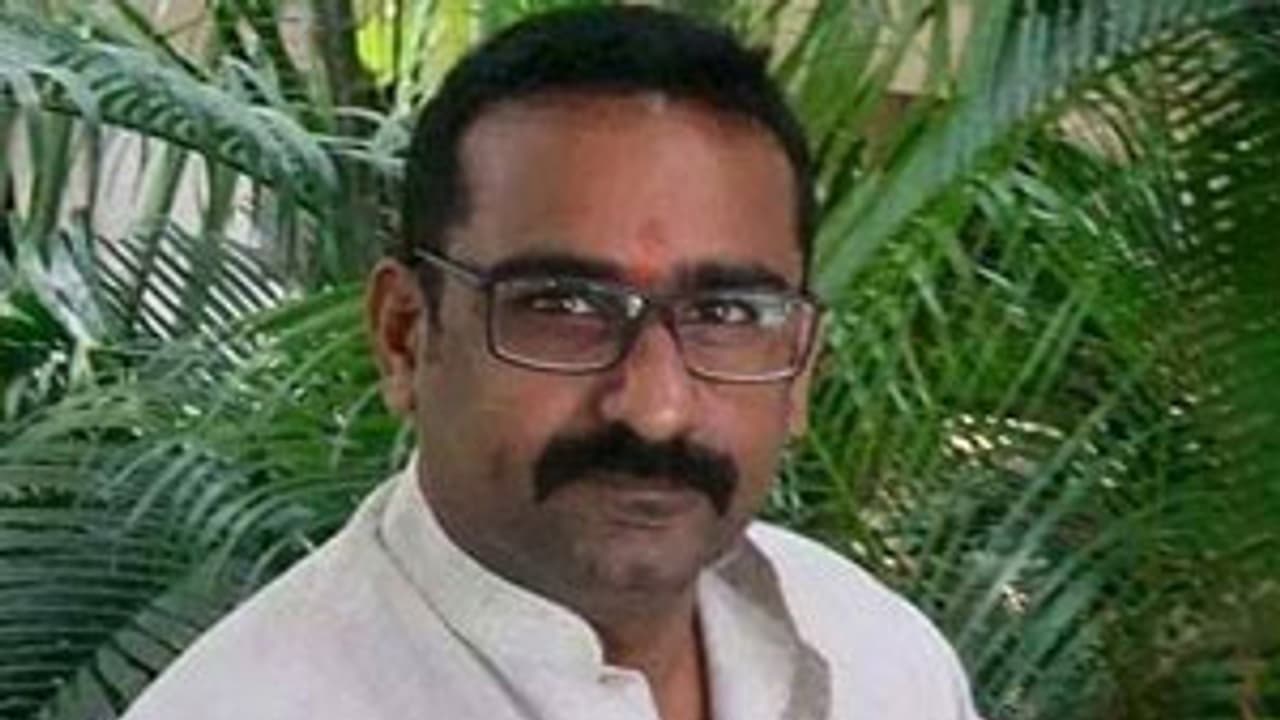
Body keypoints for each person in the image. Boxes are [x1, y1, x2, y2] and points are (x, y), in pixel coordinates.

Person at [122, 6, 983, 720]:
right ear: (406, 335)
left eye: (726, 315)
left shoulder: (879, 659)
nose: (656, 408)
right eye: (565, 308)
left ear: (799, 367)